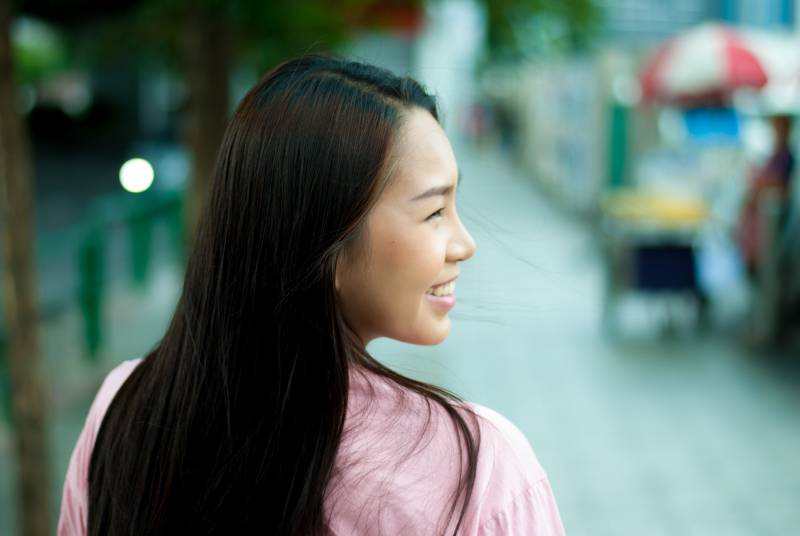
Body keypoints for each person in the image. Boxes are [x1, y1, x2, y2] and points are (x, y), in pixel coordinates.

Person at [58, 55, 564, 535]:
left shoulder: (122, 410)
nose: (465, 244)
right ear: (327, 244)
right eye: (434, 212)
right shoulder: (477, 471)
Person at [738, 114, 795, 277]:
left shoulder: (786, 155)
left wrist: (761, 181)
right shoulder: (776, 154)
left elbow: (779, 183)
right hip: (764, 217)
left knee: (772, 258)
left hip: (776, 217)